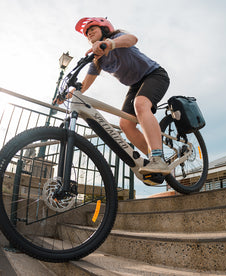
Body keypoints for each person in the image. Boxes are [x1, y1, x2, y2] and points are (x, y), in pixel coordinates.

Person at [59, 17, 170, 180]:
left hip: (154, 75)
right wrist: (66, 95)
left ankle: (157, 157)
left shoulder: (116, 39)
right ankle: (156, 160)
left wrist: (109, 44)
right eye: (87, 34)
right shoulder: (98, 59)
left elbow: (133, 39)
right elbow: (84, 84)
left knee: (140, 104)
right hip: (135, 85)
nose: (89, 34)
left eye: (93, 30)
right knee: (125, 124)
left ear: (104, 30)